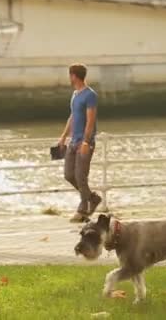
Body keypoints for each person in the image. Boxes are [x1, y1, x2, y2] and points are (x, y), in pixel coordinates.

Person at [58, 63, 102, 223]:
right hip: (73, 141)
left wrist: (85, 141)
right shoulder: (75, 94)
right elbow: (73, 117)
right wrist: (63, 136)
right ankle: (92, 198)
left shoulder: (90, 95)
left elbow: (91, 120)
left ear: (74, 76)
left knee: (80, 176)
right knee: (69, 175)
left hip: (84, 143)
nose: (69, 78)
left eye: (70, 75)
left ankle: (83, 209)